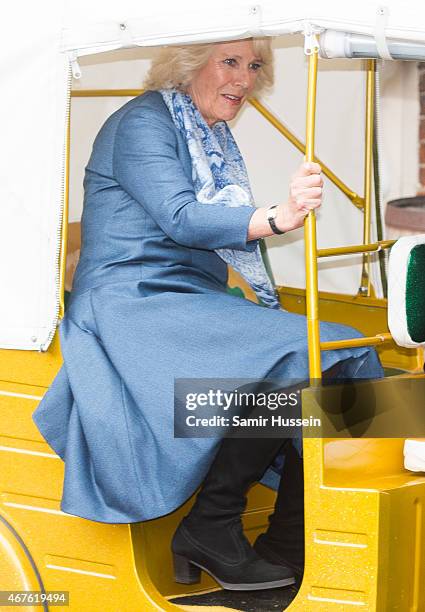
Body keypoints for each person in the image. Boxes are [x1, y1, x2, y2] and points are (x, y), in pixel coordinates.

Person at [32, 38, 383, 591]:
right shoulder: (142, 120)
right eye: (230, 62)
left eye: (255, 65)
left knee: (346, 356)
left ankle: (288, 541)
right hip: (132, 301)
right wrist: (282, 215)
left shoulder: (208, 131)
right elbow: (183, 219)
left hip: (189, 299)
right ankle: (212, 526)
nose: (244, 79)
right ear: (190, 64)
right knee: (310, 349)